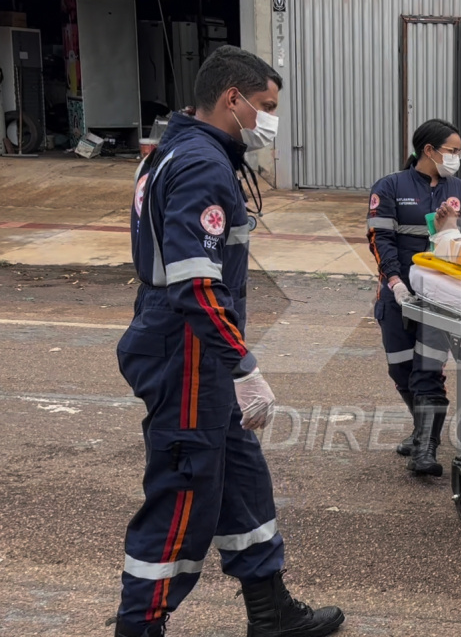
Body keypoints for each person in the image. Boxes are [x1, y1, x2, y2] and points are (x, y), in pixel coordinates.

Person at [113, 46, 343, 637]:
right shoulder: (200, 165)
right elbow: (194, 284)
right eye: (265, 106)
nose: (270, 119)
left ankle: (270, 612)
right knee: (183, 494)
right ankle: (139, 627)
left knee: (243, 480)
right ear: (232, 99)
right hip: (189, 352)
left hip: (190, 346)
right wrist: (242, 366)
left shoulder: (176, 152)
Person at [368, 119, 461, 477]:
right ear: (428, 150)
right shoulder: (390, 187)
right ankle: (420, 430)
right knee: (400, 368)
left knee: (428, 370)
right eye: (452, 150)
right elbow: (379, 240)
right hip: (397, 294)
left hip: (439, 299)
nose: (457, 157)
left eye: (459, 151)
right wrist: (395, 281)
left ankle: (426, 449)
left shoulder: (460, 189)